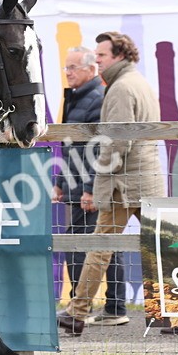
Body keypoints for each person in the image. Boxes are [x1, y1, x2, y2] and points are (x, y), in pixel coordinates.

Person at [58, 31, 165, 336]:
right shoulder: (137, 82)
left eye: (101, 55)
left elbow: (116, 143)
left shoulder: (119, 89)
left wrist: (95, 186)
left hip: (125, 184)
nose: (98, 60)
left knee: (100, 249)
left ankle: (77, 313)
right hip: (141, 180)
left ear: (118, 55)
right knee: (156, 249)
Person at [51, 47, 126, 325]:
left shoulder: (97, 99)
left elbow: (100, 150)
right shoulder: (77, 97)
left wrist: (92, 189)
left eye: (72, 67)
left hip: (89, 188)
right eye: (66, 68)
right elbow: (70, 146)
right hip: (77, 185)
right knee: (104, 244)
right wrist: (60, 183)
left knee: (82, 244)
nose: (68, 73)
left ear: (90, 69)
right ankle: (114, 307)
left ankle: (79, 309)